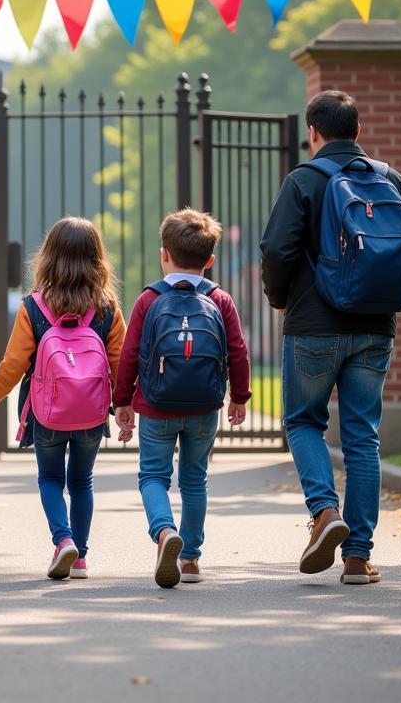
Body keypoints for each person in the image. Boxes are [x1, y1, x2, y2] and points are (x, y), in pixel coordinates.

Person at [260, 89, 401, 585]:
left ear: (313, 133)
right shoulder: (391, 179)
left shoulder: (304, 180)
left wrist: (280, 299)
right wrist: (380, 298)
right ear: (357, 130)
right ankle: (358, 558)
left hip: (313, 325)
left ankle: (324, 512)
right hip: (375, 330)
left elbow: (276, 250)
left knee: (303, 423)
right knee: (362, 438)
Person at [0, 217, 126, 581]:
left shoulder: (34, 307)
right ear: (97, 259)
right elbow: (120, 362)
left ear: (48, 258)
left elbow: (15, 362)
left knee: (49, 478)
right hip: (92, 414)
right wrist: (125, 406)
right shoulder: (107, 307)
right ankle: (80, 558)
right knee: (83, 481)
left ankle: (62, 541)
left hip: (46, 414)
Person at [115, 209, 251, 588]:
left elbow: (129, 354)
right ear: (209, 260)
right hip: (205, 407)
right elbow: (237, 350)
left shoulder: (148, 299)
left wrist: (122, 400)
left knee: (153, 476)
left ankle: (163, 533)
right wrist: (239, 396)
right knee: (195, 481)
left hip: (156, 407)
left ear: (164, 255)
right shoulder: (220, 299)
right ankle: (189, 558)